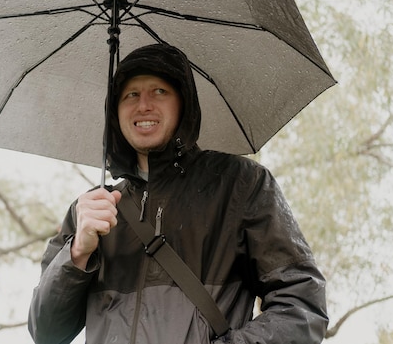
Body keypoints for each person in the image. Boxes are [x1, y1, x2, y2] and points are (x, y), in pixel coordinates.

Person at [28, 44, 328, 344]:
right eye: (130, 94)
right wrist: (77, 253)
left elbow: (302, 306)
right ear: (114, 112)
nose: (143, 105)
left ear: (184, 104)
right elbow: (46, 333)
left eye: (159, 91)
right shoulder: (91, 211)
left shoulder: (240, 185)